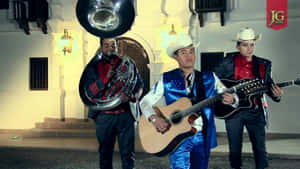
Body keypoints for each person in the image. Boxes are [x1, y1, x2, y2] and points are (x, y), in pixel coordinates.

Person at [139, 33, 238, 169]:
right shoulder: (166, 79)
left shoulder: (210, 78)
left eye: (191, 51)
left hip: (202, 135)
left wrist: (232, 99)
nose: (189, 56)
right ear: (176, 56)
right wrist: (155, 118)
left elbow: (231, 96)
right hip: (177, 136)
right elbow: (144, 102)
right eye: (183, 52)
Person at [213, 27, 283, 169]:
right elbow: (212, 81)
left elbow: (268, 86)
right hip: (233, 112)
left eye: (252, 44)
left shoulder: (264, 64)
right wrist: (225, 96)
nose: (249, 48)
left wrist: (276, 95)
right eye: (245, 45)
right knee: (234, 149)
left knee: (260, 148)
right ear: (238, 46)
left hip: (256, 111)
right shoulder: (227, 62)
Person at [78, 38, 143, 169]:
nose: (110, 48)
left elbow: (139, 85)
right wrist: (106, 78)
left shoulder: (128, 63)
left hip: (126, 115)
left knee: (128, 154)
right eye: (106, 45)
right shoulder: (93, 67)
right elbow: (89, 92)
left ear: (117, 46)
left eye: (113, 45)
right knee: (105, 154)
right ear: (101, 47)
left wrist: (131, 96)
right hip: (104, 117)